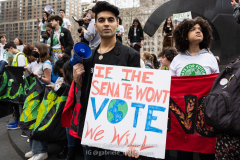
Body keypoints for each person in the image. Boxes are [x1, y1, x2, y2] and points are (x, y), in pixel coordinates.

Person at [70, 1, 140, 159]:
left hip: (119, 132)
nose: (106, 24)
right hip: (91, 129)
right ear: (95, 26)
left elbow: (137, 98)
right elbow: (87, 91)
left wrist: (134, 138)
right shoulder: (88, 56)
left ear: (117, 24)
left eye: (111, 20)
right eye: (101, 20)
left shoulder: (131, 55)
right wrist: (77, 80)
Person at [170, 17, 219, 160]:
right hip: (183, 119)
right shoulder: (177, 60)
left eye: (200, 29)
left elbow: (215, 86)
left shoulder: (210, 58)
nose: (198, 31)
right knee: (183, 154)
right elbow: (171, 87)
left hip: (205, 117)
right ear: (184, 36)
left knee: (206, 153)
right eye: (193, 29)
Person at [24, 43, 52, 160]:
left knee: (38, 123)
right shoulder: (40, 62)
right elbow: (36, 75)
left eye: (36, 49)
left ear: (41, 50)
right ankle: (34, 149)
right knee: (32, 121)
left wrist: (39, 77)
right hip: (34, 95)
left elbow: (48, 80)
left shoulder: (46, 63)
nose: (34, 51)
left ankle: (41, 151)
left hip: (41, 96)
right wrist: (31, 73)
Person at [4, 42, 28, 130]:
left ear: (11, 48)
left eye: (7, 50)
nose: (7, 52)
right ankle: (17, 120)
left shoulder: (20, 56)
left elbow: (21, 69)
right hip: (16, 83)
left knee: (19, 103)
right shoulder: (15, 56)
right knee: (15, 103)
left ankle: (19, 123)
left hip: (20, 83)